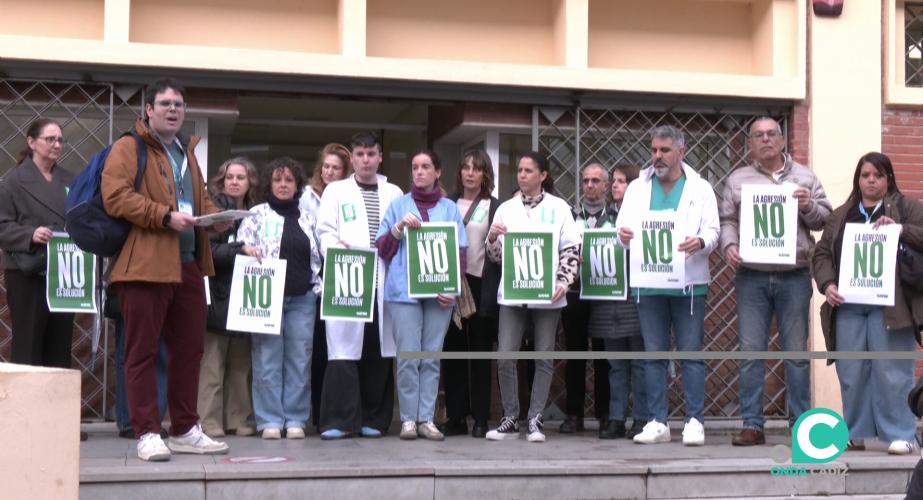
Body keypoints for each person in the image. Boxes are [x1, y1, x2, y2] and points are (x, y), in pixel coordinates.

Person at [101, 78, 230, 461]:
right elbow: (116, 197)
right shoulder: (128, 147)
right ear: (149, 110)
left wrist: (216, 218)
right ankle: (146, 432)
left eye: (178, 104)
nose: (173, 109)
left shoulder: (186, 151)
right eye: (165, 103)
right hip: (144, 266)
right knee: (141, 352)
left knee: (190, 350)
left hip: (189, 265)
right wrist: (163, 217)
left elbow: (198, 199)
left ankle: (186, 428)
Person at [720, 117, 832, 446]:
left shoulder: (805, 177)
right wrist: (730, 246)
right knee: (751, 352)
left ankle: (801, 427)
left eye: (772, 134)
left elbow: (826, 218)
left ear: (782, 141)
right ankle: (752, 425)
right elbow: (727, 219)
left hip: (794, 276)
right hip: (751, 277)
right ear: (750, 144)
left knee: (797, 354)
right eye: (758, 135)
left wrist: (808, 205)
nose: (766, 139)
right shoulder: (737, 178)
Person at [812, 152, 923, 455]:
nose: (871, 180)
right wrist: (828, 284)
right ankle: (854, 432)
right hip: (848, 306)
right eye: (865, 175)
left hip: (892, 306)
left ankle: (900, 433)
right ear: (857, 180)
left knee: (892, 370)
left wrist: (901, 229)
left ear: (888, 179)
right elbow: (821, 253)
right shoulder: (842, 214)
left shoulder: (906, 208)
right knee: (852, 370)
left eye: (878, 175)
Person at [615, 125, 719, 446]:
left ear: (681, 152)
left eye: (664, 150)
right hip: (649, 283)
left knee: (690, 354)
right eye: (654, 150)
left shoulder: (700, 188)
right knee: (653, 354)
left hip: (688, 285)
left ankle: (694, 421)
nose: (657, 156)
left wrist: (700, 241)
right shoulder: (637, 187)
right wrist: (623, 235)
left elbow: (713, 231)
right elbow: (622, 227)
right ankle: (657, 421)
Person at [484, 151, 580, 443]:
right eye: (519, 170)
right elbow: (496, 256)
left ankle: (535, 419)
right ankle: (510, 417)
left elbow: (571, 248)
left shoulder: (559, 207)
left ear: (543, 176)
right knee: (505, 355)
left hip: (548, 294)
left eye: (528, 170)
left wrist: (563, 281)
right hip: (513, 293)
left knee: (543, 355)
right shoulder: (506, 209)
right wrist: (491, 239)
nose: (522, 175)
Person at [0, 118, 85, 441]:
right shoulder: (13, 181)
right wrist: (29, 233)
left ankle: (59, 420)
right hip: (27, 271)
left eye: (60, 140)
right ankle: (24, 418)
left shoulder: (69, 180)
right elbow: (2, 226)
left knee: (60, 346)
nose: (57, 145)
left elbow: (81, 215)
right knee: (29, 342)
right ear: (32, 142)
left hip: (64, 272)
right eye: (50, 139)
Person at [315, 131, 402, 439]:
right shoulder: (335, 191)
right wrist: (333, 246)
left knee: (377, 348)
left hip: (382, 278)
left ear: (379, 157)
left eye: (371, 154)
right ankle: (339, 420)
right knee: (342, 349)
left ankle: (374, 419)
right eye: (360, 154)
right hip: (346, 276)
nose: (366, 159)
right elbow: (323, 231)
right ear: (352, 159)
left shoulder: (393, 192)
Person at [376, 149, 467, 441]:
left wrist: (452, 290)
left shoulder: (450, 208)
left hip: (440, 294)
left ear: (437, 172)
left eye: (425, 166)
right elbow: (383, 249)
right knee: (408, 357)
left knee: (430, 356)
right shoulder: (397, 205)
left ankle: (427, 418)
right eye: (415, 167)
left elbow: (460, 252)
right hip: (404, 292)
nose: (419, 172)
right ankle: (408, 420)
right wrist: (400, 227)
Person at [237, 157, 322, 440]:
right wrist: (245, 249)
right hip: (265, 297)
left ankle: (296, 419)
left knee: (299, 360)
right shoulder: (256, 214)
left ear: (297, 185)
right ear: (269, 184)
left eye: (289, 180)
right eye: (277, 179)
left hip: (303, 298)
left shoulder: (308, 217)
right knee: (267, 359)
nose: (283, 185)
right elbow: (238, 244)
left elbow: (318, 258)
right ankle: (270, 420)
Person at [197, 157, 261, 438]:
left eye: (241, 177)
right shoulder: (214, 210)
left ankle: (239, 420)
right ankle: (209, 421)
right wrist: (239, 250)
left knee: (241, 365)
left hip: (248, 298)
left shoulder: (257, 213)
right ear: (222, 181)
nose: (234, 182)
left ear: (250, 183)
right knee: (212, 365)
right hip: (218, 296)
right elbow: (207, 252)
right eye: (230, 177)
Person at [441, 149, 501, 438]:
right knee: (451, 353)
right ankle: (455, 416)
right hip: (451, 285)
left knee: (479, 354)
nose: (470, 173)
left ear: (485, 173)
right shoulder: (447, 203)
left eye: (476, 168)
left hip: (480, 286)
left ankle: (480, 418)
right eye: (465, 167)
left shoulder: (495, 206)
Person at [588, 163, 648, 440]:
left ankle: (642, 418)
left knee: (639, 363)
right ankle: (615, 418)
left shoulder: (643, 215)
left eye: (622, 181)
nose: (615, 186)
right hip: (608, 303)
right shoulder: (604, 218)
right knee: (615, 365)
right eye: (614, 181)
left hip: (636, 300)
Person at [298, 143, 352, 430]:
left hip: (344, 280)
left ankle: (329, 415)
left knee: (339, 350)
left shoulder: (349, 196)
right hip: (315, 283)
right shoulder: (307, 197)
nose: (329, 172)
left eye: (336, 168)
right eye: (326, 167)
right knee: (317, 351)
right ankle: (314, 415)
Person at [560, 162, 614, 434]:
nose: (590, 185)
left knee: (605, 355)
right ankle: (573, 414)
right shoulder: (569, 216)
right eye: (586, 181)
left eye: (596, 181)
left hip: (606, 294)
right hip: (575, 293)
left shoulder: (618, 217)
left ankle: (606, 414)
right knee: (575, 353)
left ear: (606, 186)